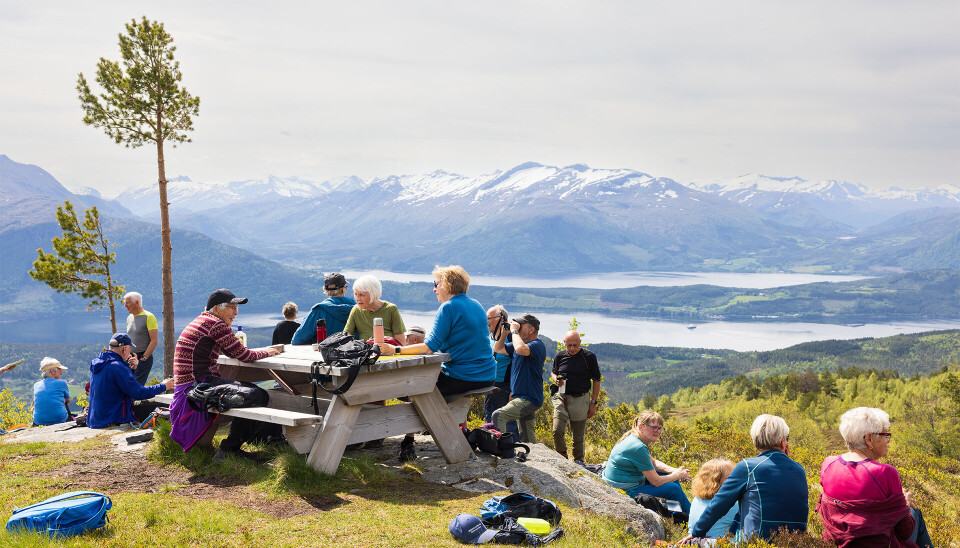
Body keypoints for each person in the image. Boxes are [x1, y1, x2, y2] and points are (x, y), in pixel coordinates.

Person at [377, 265, 497, 461]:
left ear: (447, 285)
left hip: (464, 376)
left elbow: (429, 347)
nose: (434, 289)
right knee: (420, 389)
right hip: (487, 375)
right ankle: (448, 435)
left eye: (436, 284)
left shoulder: (448, 307)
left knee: (412, 386)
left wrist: (394, 350)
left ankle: (408, 442)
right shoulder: (475, 304)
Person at [169, 289, 282, 461]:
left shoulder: (202, 321)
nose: (236, 313)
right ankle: (229, 449)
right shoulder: (215, 324)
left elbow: (231, 352)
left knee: (248, 391)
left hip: (187, 388)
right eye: (231, 307)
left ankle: (258, 439)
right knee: (256, 395)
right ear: (216, 309)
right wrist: (268, 351)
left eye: (237, 308)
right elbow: (245, 356)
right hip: (198, 388)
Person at [682, 414, 808, 543]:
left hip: (757, 543)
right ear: (783, 442)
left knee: (689, 543)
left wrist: (697, 532)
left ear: (755, 440)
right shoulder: (799, 470)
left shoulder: (748, 467)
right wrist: (786, 461)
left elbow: (719, 504)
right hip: (796, 543)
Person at [817, 407, 932, 548]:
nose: (888, 440)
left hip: (837, 542)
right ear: (869, 439)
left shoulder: (828, 463)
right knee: (915, 513)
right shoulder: (885, 472)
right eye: (885, 434)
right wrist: (905, 503)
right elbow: (906, 531)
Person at [601, 410, 692, 514]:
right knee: (673, 488)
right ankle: (689, 515)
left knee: (672, 481)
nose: (658, 431)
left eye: (660, 428)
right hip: (626, 492)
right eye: (654, 427)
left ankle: (679, 511)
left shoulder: (635, 438)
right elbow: (656, 482)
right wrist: (677, 475)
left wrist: (675, 471)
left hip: (628, 484)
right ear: (640, 427)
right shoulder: (638, 447)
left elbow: (654, 463)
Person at [87, 333, 175, 429]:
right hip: (112, 419)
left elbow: (123, 388)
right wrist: (164, 386)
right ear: (125, 349)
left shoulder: (100, 363)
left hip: (97, 419)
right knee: (163, 405)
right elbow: (139, 392)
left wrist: (132, 370)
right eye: (130, 348)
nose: (130, 352)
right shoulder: (118, 367)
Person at [492, 313, 546, 443]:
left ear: (531, 329)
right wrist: (504, 333)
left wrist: (514, 331)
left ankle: (502, 449)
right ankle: (532, 453)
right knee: (527, 436)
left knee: (498, 415)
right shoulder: (518, 345)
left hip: (528, 398)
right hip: (522, 397)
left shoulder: (537, 345)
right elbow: (498, 348)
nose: (518, 327)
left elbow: (521, 349)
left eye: (521, 325)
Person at [551, 330, 602, 464]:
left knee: (578, 437)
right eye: (569, 345)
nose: (572, 348)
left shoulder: (589, 357)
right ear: (564, 343)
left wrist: (593, 403)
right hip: (561, 397)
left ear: (580, 342)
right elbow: (553, 372)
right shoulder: (560, 356)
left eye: (575, 345)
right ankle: (562, 457)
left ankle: (579, 462)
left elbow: (597, 380)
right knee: (557, 430)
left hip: (580, 399)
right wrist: (556, 379)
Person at [291, 272, 356, 345]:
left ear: (325, 289)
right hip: (354, 351)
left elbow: (297, 340)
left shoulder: (319, 310)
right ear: (344, 289)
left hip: (326, 351)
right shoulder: (358, 308)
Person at [484, 305, 518, 435]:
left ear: (501, 319)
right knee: (490, 423)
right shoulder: (490, 338)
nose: (487, 321)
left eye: (489, 318)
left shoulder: (511, 339)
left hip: (504, 390)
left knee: (508, 425)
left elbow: (517, 367)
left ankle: (511, 446)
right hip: (489, 387)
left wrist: (513, 391)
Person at [344, 275, 406, 344]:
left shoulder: (391, 309)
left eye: (361, 295)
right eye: (356, 294)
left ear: (373, 294)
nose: (357, 299)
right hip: (365, 350)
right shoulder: (356, 310)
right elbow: (346, 336)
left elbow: (401, 341)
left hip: (388, 349)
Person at [688, 459, 738, 542]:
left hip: (694, 543)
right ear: (716, 481)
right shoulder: (731, 506)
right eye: (729, 478)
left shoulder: (696, 499)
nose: (734, 481)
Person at [124, 291, 159, 385]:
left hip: (142, 358)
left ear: (137, 303)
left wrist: (143, 358)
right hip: (130, 358)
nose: (125, 305)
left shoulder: (149, 317)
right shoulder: (129, 318)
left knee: (136, 387)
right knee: (127, 386)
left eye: (127, 303)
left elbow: (154, 341)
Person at [32, 357, 71, 426]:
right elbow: (68, 400)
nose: (61, 373)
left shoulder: (36, 385)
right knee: (64, 401)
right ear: (52, 371)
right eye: (59, 370)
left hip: (39, 421)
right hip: (59, 419)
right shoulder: (61, 383)